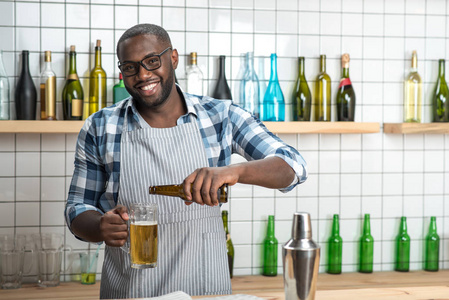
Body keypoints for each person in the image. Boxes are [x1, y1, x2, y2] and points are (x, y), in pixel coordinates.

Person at [65, 23, 307, 299]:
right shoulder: (100, 126)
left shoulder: (221, 116)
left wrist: (234, 171)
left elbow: (293, 165)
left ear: (174, 58)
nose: (143, 75)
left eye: (152, 61)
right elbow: (77, 207)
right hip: (132, 292)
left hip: (207, 289)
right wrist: (100, 226)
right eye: (130, 67)